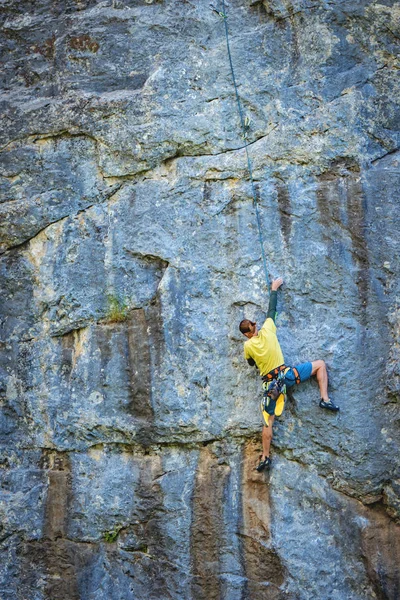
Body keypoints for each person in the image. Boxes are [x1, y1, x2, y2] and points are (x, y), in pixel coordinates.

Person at [239, 277, 339, 472]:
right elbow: (271, 310)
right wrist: (274, 288)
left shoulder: (247, 346)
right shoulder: (268, 328)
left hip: (271, 386)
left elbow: (251, 364)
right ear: (254, 326)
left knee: (268, 420)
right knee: (320, 365)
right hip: (287, 375)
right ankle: (324, 398)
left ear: (245, 334)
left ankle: (265, 456)